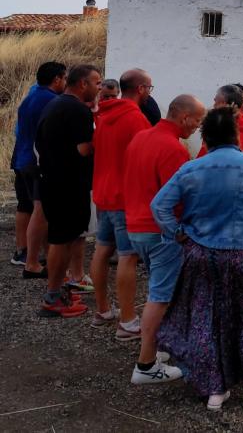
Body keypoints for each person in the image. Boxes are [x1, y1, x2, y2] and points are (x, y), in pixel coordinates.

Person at [152, 107, 243, 412]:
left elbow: (159, 206)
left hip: (201, 253)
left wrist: (178, 233)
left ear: (205, 137)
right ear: (236, 135)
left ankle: (215, 390)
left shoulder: (191, 168)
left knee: (206, 319)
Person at [125, 94, 206, 384]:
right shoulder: (173, 149)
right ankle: (146, 365)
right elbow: (177, 199)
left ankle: (156, 348)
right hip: (162, 231)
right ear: (184, 117)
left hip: (136, 227)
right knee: (160, 297)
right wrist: (186, 230)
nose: (198, 127)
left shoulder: (141, 137)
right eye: (197, 121)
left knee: (158, 291)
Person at [89, 69, 153, 338]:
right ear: (141, 89)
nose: (150, 92)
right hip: (125, 197)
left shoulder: (104, 115)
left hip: (103, 194)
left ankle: (103, 309)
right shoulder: (136, 119)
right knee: (128, 255)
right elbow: (147, 157)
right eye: (149, 87)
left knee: (102, 250)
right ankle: (128, 321)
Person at [35, 64, 101, 318]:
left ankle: (57, 291)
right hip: (68, 186)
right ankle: (52, 297)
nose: (99, 87)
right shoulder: (77, 110)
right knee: (62, 241)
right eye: (96, 82)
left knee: (61, 238)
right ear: (83, 83)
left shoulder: (55, 103)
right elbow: (84, 150)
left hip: (52, 181)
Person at [10, 61, 66, 278]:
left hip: (23, 157)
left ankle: (29, 254)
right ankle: (36, 260)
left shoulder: (31, 96)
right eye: (64, 78)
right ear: (57, 79)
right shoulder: (52, 101)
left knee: (29, 207)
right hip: (37, 161)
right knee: (41, 211)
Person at [198, 85, 243, 166]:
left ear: (223, 103)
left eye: (215, 101)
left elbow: (202, 163)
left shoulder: (215, 128)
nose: (213, 106)